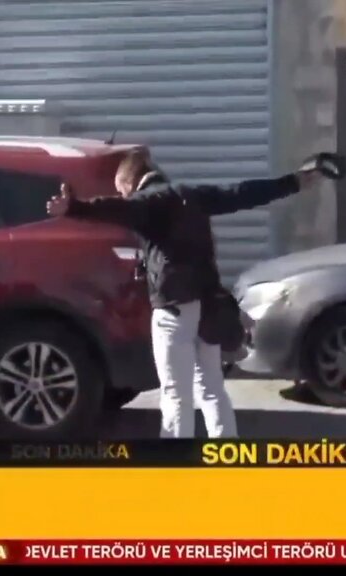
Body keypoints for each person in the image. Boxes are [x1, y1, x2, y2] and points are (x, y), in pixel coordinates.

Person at [46, 149, 324, 438]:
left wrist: (75, 207)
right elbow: (240, 193)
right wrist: (293, 182)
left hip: (174, 309)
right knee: (211, 388)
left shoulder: (148, 201)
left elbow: (117, 209)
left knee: (176, 393)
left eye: (122, 190)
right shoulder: (190, 195)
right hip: (208, 306)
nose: (124, 195)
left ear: (130, 182)